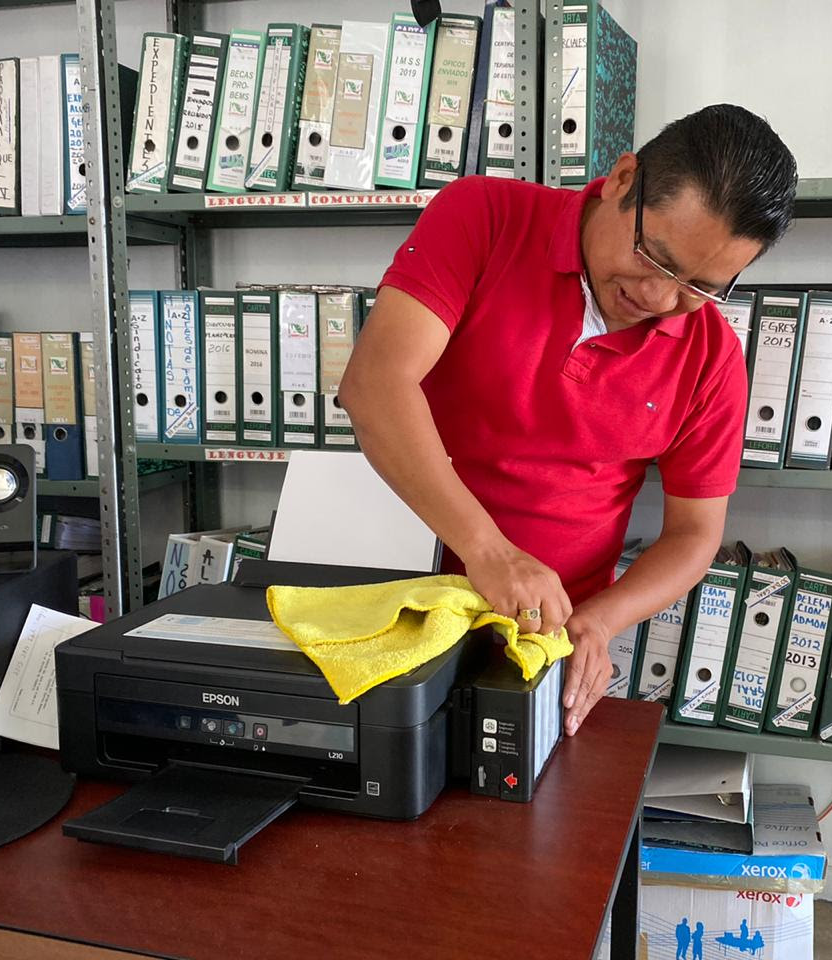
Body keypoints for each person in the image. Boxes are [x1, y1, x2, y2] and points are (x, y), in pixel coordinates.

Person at [339, 104, 797, 736]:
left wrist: (600, 621)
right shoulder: (485, 216)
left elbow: (694, 535)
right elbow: (375, 385)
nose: (659, 298)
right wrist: (488, 550)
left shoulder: (711, 355)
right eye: (655, 257)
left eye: (700, 286)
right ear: (622, 180)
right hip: (389, 611)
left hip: (539, 648)